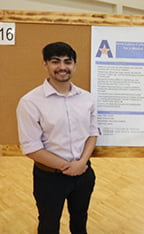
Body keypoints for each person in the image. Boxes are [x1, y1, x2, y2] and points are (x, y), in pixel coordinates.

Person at [16, 42, 99, 234]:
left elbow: (92, 133)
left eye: (67, 62)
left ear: (74, 65)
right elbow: (31, 147)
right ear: (45, 64)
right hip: (49, 178)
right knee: (48, 225)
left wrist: (81, 163)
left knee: (80, 222)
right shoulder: (30, 102)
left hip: (84, 174)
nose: (62, 67)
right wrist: (66, 167)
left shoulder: (87, 98)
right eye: (55, 62)